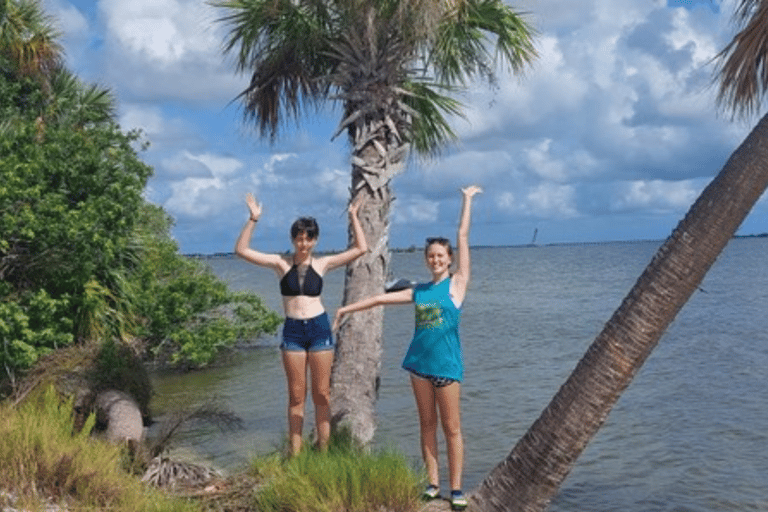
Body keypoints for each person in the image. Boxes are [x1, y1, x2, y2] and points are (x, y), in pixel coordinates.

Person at [332, 185, 482, 511]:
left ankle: (456, 489)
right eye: (431, 256)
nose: (436, 260)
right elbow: (381, 298)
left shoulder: (457, 285)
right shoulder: (420, 290)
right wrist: (346, 309)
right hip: (418, 366)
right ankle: (432, 484)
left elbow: (463, 235)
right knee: (426, 425)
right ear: (427, 260)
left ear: (449, 259)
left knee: (452, 429)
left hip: (446, 368)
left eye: (441, 255)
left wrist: (467, 200)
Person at [235, 192, 367, 456]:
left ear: (315, 240)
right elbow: (241, 251)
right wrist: (253, 219)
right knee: (296, 397)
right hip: (293, 331)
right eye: (298, 237)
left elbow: (361, 249)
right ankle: (295, 456)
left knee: (321, 395)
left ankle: (324, 452)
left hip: (319, 329)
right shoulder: (280, 263)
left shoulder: (323, 263)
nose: (303, 243)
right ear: (293, 239)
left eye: (308, 238)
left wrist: (353, 216)